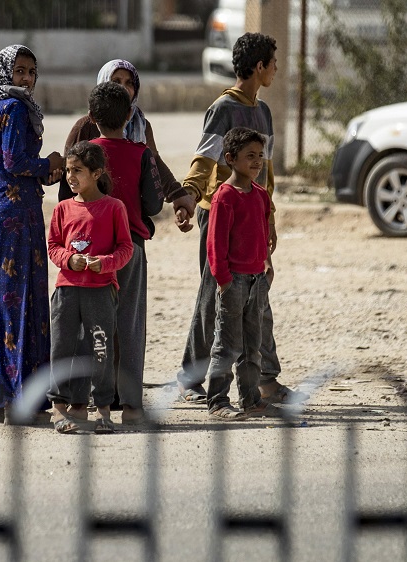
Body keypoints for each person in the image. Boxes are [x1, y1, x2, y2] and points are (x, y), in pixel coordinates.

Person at [175, 32, 307, 405]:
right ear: (260, 66)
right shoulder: (224, 108)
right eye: (274, 63)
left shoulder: (262, 112)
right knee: (212, 298)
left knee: (258, 299)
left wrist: (270, 218)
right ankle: (192, 379)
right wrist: (188, 196)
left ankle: (265, 380)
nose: (277, 70)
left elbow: (265, 174)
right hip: (220, 217)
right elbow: (203, 160)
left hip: (252, 218)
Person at [0, 44, 64, 424]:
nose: (26, 78)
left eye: (30, 72)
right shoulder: (13, 108)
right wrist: (50, 165)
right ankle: (19, 402)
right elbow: (15, 161)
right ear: (5, 72)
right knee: (20, 302)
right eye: (19, 71)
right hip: (16, 216)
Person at [85, 81, 164, 425]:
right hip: (130, 247)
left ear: (91, 117)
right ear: (130, 114)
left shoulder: (83, 153)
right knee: (130, 326)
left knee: (94, 324)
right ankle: (131, 406)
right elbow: (154, 202)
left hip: (91, 250)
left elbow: (66, 198)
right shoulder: (140, 152)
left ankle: (96, 400)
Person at [47, 141, 133, 434]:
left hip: (100, 291)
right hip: (67, 290)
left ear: (97, 173)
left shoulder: (113, 208)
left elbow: (125, 248)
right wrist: (70, 260)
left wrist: (104, 263)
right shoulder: (62, 209)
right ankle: (59, 409)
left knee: (99, 350)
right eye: (68, 171)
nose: (70, 177)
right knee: (62, 348)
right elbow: (53, 246)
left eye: (78, 171)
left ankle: (104, 410)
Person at [58, 59, 196, 231]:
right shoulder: (86, 126)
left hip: (130, 224)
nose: (123, 88)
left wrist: (178, 195)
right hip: (91, 224)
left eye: (129, 83)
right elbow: (68, 173)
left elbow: (153, 163)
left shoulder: (142, 125)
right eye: (116, 81)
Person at [205, 127, 283, 420]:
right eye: (250, 156)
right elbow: (216, 246)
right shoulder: (225, 197)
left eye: (260, 156)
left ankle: (252, 400)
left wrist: (268, 267)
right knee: (227, 345)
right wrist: (224, 281)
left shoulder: (261, 195)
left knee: (253, 345)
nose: (257, 162)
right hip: (233, 282)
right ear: (230, 158)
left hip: (257, 281)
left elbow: (264, 237)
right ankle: (217, 401)